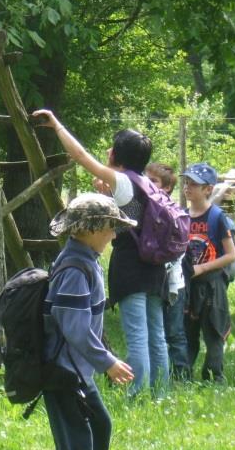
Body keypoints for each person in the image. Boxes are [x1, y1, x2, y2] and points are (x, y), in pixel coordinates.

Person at [32, 109, 170, 398]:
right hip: (156, 265)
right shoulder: (145, 182)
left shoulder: (123, 181)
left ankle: (135, 395)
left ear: (118, 156)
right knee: (157, 334)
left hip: (132, 263)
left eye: (112, 146)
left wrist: (57, 125)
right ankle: (160, 394)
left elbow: (81, 156)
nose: (107, 150)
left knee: (137, 336)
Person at [42, 193, 135, 450]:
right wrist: (107, 362)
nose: (112, 234)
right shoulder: (73, 269)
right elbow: (75, 328)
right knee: (76, 447)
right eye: (110, 227)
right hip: (62, 373)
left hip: (78, 370)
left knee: (99, 426)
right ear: (90, 229)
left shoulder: (86, 260)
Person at [180, 162, 235, 383]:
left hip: (213, 284)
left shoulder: (217, 217)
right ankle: (183, 374)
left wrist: (202, 267)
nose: (188, 187)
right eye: (187, 183)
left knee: (214, 331)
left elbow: (230, 254)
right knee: (187, 331)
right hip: (189, 285)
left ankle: (214, 376)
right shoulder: (182, 215)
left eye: (194, 184)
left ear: (208, 189)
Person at [145, 162, 190, 381]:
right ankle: (158, 374)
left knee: (174, 332)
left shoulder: (173, 212)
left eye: (153, 181)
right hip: (153, 281)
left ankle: (181, 376)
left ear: (167, 188)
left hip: (173, 282)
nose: (147, 185)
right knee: (155, 331)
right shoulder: (147, 209)